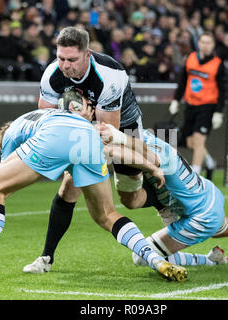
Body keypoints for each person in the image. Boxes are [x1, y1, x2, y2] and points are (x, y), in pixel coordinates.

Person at [0, 99, 187, 283]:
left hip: (55, 136)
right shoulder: (44, 116)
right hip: (85, 134)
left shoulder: (11, 133)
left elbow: (3, 176)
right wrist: (149, 165)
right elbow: (112, 151)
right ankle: (154, 258)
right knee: (106, 215)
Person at [24, 26, 164, 273]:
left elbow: (106, 135)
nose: (65, 66)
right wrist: (73, 124)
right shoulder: (51, 75)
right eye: (60, 58)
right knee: (69, 187)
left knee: (130, 199)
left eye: (72, 60)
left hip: (124, 130)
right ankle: (46, 258)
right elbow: (45, 120)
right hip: (84, 128)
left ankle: (161, 200)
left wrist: (77, 120)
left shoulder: (110, 75)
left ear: (87, 54)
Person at [95, 124, 228, 268]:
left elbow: (120, 153)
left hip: (201, 216)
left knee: (140, 257)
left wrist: (107, 145)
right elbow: (134, 148)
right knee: (227, 228)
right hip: (209, 196)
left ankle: (209, 261)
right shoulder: (151, 138)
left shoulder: (160, 155)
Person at [169, 32, 226, 181]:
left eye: (208, 43)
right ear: (198, 43)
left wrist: (219, 112)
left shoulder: (218, 64)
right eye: (203, 42)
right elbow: (182, 81)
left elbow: (223, 90)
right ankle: (209, 162)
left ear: (213, 46)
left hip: (207, 105)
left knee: (199, 140)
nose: (205, 45)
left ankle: (195, 178)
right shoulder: (191, 58)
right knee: (190, 142)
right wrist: (176, 100)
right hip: (190, 104)